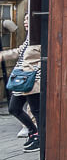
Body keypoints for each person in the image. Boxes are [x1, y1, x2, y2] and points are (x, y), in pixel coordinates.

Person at [2, 15, 41, 152]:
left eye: (27, 19)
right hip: (21, 80)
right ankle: (34, 132)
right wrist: (2, 55)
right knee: (14, 108)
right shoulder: (29, 37)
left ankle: (40, 139)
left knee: (37, 112)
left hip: (33, 80)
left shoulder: (40, 37)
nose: (24, 22)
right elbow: (19, 52)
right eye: (24, 19)